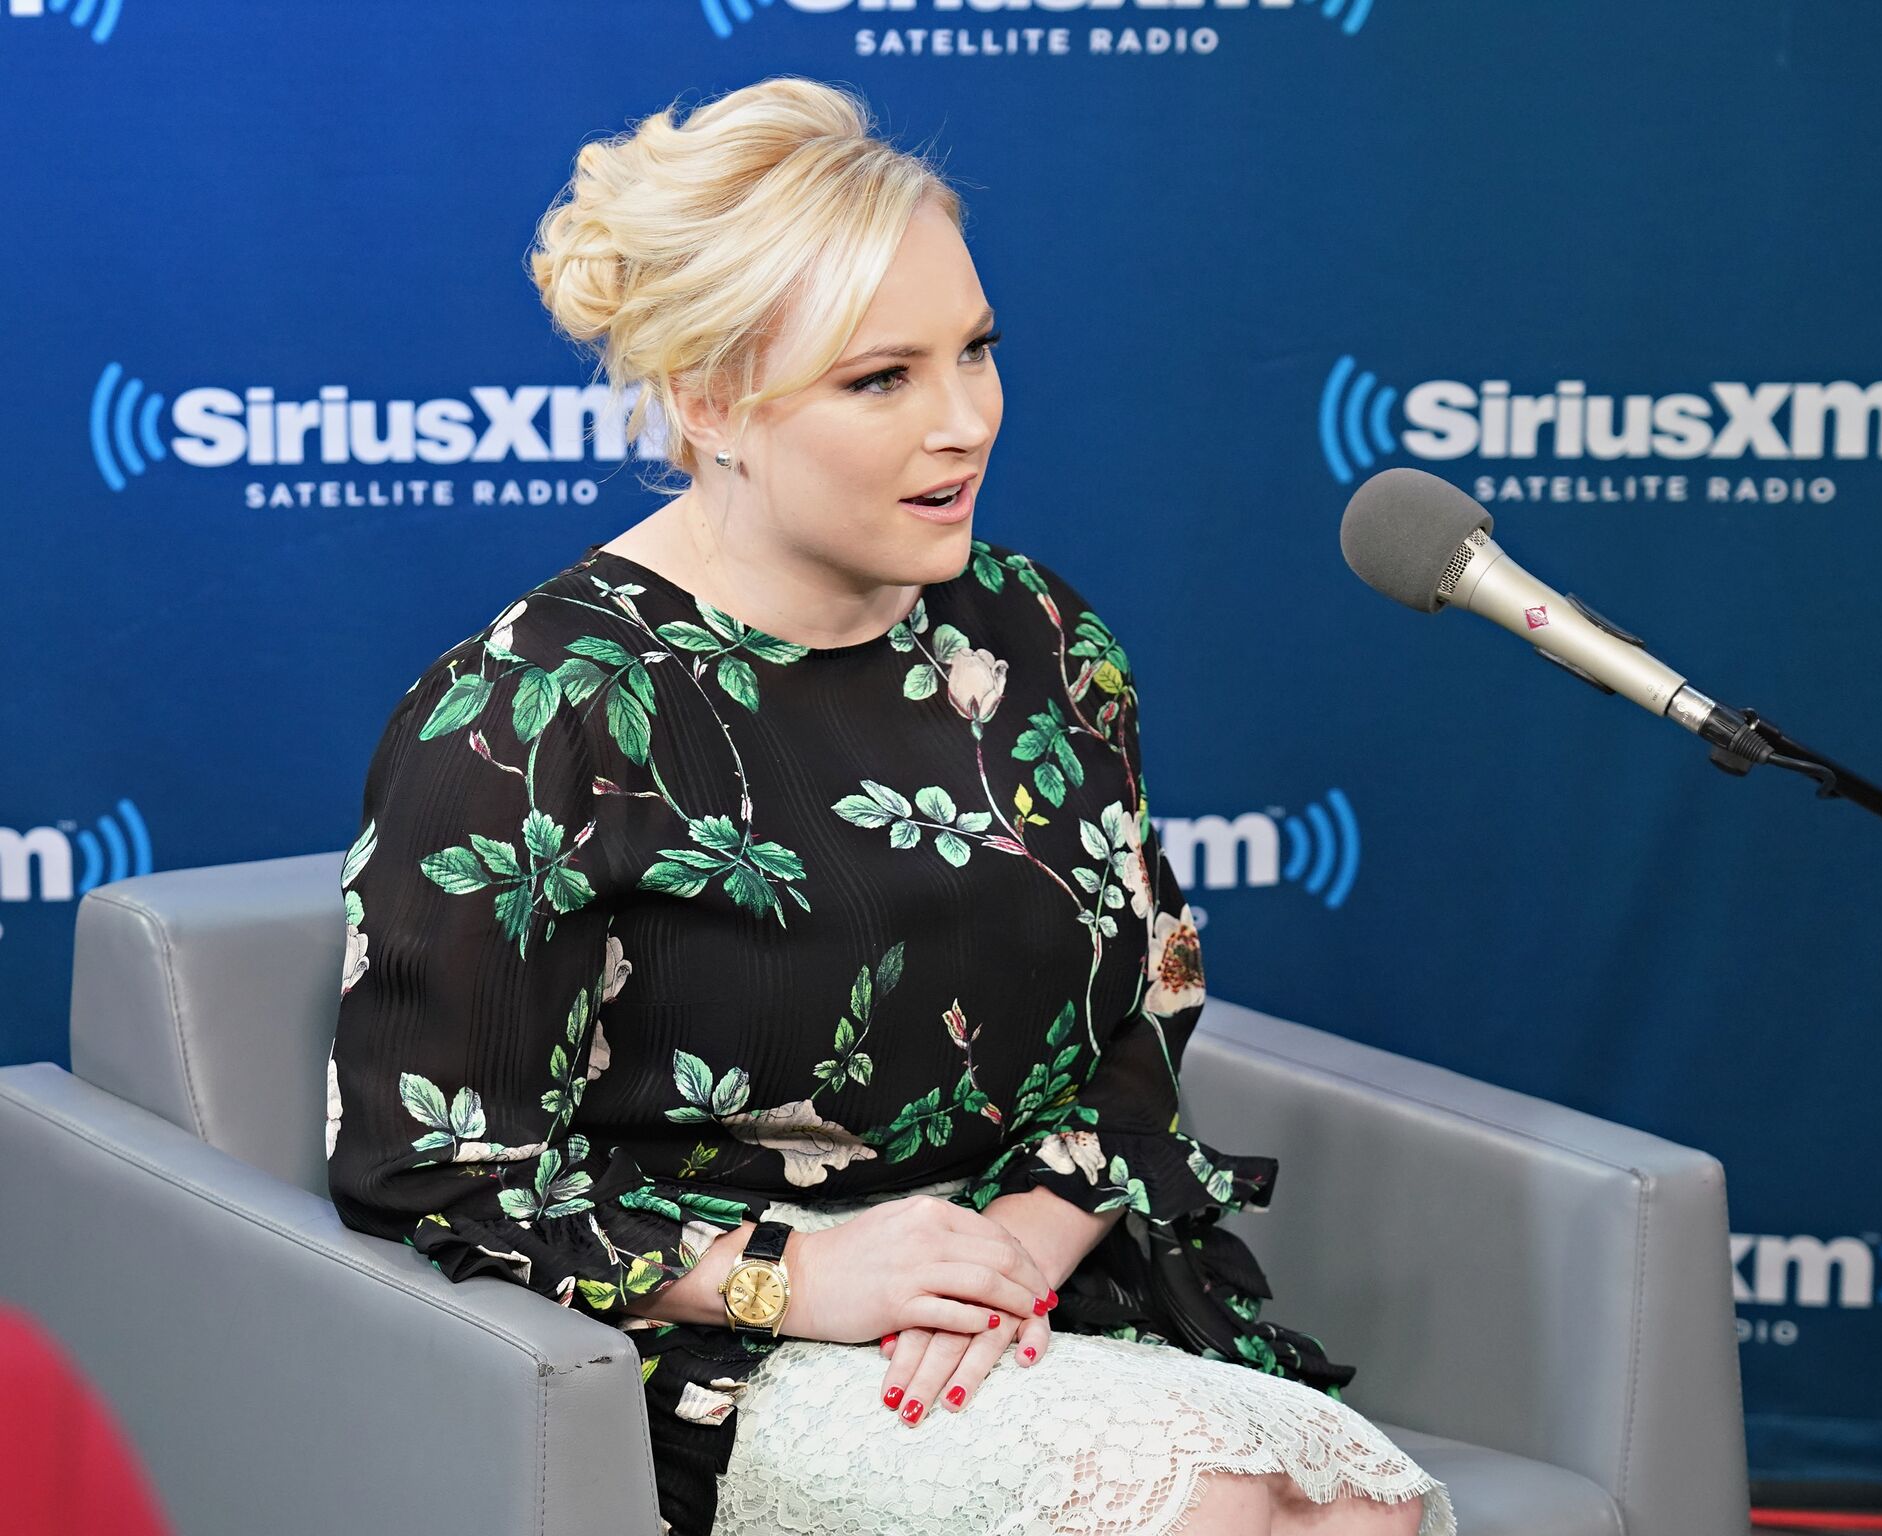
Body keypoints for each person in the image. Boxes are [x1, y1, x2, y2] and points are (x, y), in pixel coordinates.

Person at [325, 75, 1457, 1536]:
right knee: (1230, 1513)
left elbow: (1146, 995)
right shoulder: (536, 712)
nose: (965, 422)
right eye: (882, 380)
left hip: (1054, 1286)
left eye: (975, 351)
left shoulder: (1034, 631)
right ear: (707, 402)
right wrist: (793, 1279)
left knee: (1332, 1506)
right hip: (719, 1341)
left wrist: (1011, 1251)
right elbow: (429, 1168)